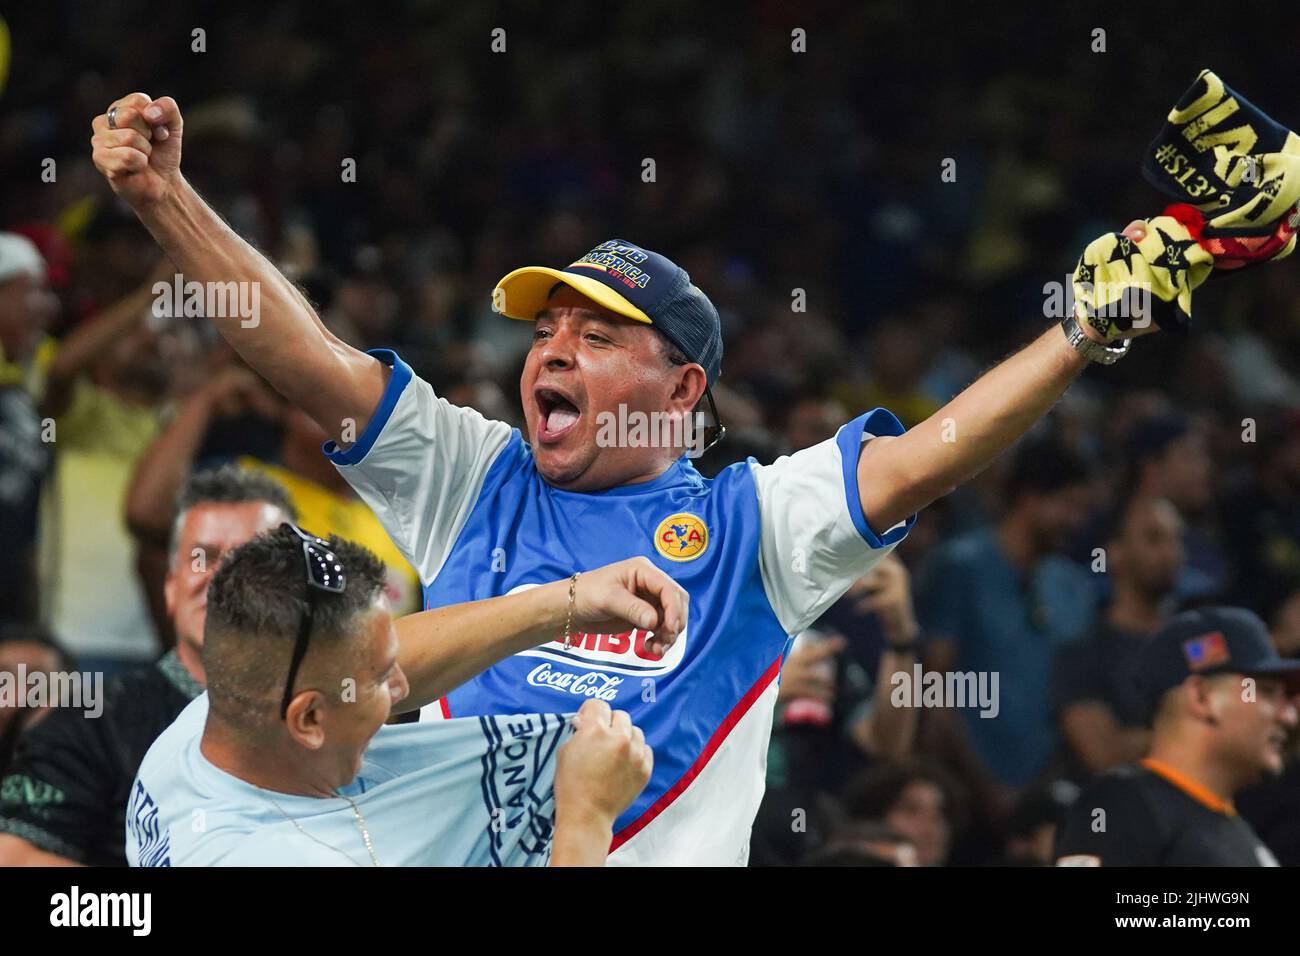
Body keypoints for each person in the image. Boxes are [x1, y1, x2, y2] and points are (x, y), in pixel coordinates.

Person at [92, 91, 1170, 864]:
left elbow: (928, 454)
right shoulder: (477, 474)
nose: (551, 350)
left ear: (681, 385)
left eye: (597, 334)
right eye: (544, 328)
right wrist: (164, 199)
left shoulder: (750, 523)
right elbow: (304, 358)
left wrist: (1079, 332)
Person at [130, 529, 684, 866]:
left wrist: (567, 601)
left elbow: (354, 656)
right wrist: (586, 817)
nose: (401, 688)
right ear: (310, 718)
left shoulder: (209, 726)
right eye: (380, 679)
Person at [0, 465, 294, 865]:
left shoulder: (343, 716)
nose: (224, 578)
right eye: (201, 558)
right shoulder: (91, 714)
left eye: (249, 560)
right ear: (171, 589)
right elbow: (16, 856)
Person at [919, 438, 1098, 808]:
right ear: (1030, 497)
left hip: (1041, 797)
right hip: (960, 792)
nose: (1077, 522)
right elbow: (933, 685)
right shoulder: (960, 567)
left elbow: (1075, 698)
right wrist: (986, 791)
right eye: (1069, 506)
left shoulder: (1074, 586)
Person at [1055, 607, 1300, 866]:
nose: (1289, 717)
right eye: (1266, 692)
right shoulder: (1122, 804)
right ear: (1202, 698)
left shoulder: (1244, 836)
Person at [1054, 496, 1184, 777]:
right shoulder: (1084, 653)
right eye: (1154, 539)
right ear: (1114, 553)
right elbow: (1105, 756)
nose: (1171, 552)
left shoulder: (1198, 641)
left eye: (1176, 539)